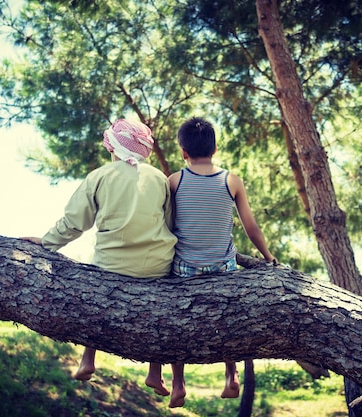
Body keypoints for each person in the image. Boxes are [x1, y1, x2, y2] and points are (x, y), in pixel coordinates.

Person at [21, 119, 177, 382]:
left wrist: (46, 242)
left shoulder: (99, 176)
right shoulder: (159, 178)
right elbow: (170, 224)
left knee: (92, 295)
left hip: (111, 267)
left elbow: (74, 223)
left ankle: (87, 359)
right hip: (157, 267)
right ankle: (155, 372)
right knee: (159, 313)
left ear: (112, 148)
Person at [145, 116, 277, 408]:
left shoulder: (174, 181)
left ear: (183, 152)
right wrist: (267, 256)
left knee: (175, 319)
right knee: (227, 319)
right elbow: (250, 227)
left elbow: (165, 225)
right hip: (223, 268)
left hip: (185, 269)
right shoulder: (232, 181)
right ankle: (231, 374)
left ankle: (178, 384)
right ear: (215, 148)